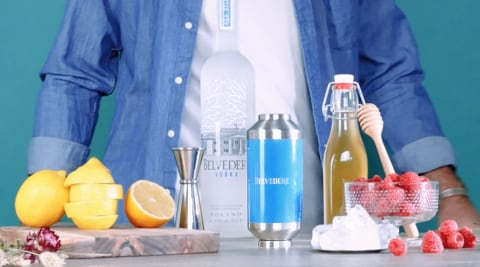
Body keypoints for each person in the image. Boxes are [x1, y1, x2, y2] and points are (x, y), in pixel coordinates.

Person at [28, 0, 478, 233]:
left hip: (313, 233)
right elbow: (74, 73)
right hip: (157, 230)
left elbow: (390, 74)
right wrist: (44, 209)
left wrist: (449, 194)